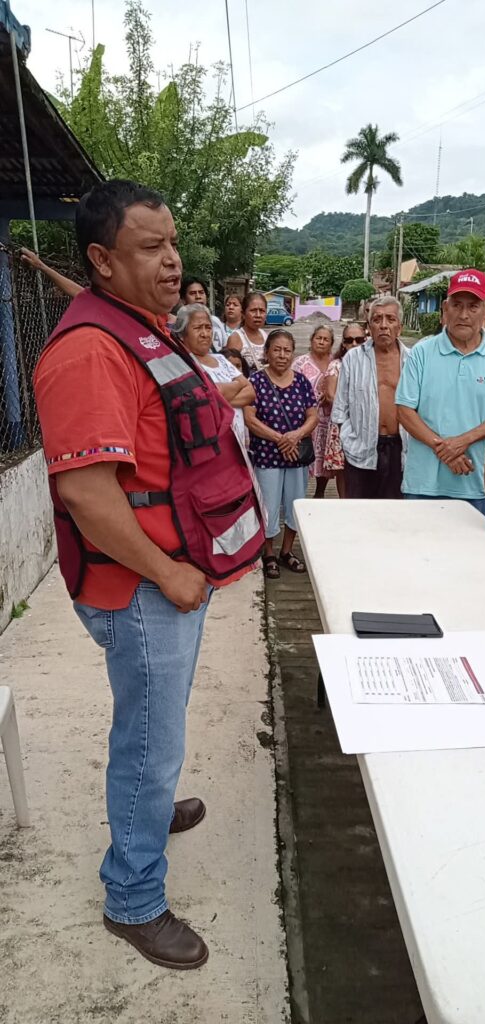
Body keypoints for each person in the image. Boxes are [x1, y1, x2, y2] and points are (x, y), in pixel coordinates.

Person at [33, 179, 265, 970]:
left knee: (154, 727)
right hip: (138, 588)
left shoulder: (136, 327)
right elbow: (87, 494)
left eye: (172, 244)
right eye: (150, 248)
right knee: (149, 741)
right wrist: (168, 574)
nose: (173, 263)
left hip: (164, 578)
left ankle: (149, 809)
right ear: (102, 260)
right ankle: (132, 898)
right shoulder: (89, 351)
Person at [396, 269, 485, 515]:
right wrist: (445, 449)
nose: (463, 315)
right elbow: (404, 410)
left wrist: (462, 442)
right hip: (423, 483)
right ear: (444, 308)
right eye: (456, 305)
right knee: (418, 550)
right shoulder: (422, 352)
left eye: (473, 307)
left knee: (471, 553)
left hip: (477, 482)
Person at [244, 329, 318, 578]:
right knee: (269, 506)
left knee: (296, 504)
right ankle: (269, 553)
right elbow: (249, 418)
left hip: (296, 455)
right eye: (276, 349)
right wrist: (279, 439)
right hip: (267, 455)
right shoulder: (255, 381)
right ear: (266, 353)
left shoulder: (301, 381)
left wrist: (295, 436)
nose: (282, 355)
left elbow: (313, 415)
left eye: (287, 350)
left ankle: (287, 551)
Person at [332, 297, 409, 499]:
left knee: (395, 517)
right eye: (377, 319)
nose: (383, 325)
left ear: (399, 327)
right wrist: (349, 439)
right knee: (359, 517)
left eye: (390, 319)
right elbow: (340, 408)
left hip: (401, 450)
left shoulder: (412, 360)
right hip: (360, 450)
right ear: (369, 327)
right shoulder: (353, 358)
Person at [172, 303, 254, 444]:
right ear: (182, 334)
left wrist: (216, 398)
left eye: (208, 327)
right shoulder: (183, 364)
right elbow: (200, 400)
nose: (205, 334)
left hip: (238, 444)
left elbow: (251, 393)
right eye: (197, 328)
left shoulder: (221, 359)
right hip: (211, 444)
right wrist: (238, 384)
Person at [323, 323, 366, 498]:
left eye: (359, 340)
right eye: (349, 340)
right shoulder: (336, 365)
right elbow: (331, 396)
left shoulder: (371, 363)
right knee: (343, 468)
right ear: (343, 344)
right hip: (343, 424)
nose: (354, 344)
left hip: (366, 424)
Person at [293, 325, 335, 498]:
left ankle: (319, 493)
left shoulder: (336, 363)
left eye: (326, 339)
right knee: (304, 456)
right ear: (311, 340)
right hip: (306, 420)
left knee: (325, 459)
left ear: (331, 343)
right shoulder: (300, 363)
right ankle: (299, 493)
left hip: (329, 420)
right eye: (318, 338)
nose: (321, 342)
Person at [180, 275, 227, 351]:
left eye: (201, 292)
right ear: (183, 299)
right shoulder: (180, 324)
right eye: (192, 293)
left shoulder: (216, 321)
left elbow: (225, 347)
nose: (198, 296)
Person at [227, 291, 268, 373]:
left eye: (262, 311)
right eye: (253, 310)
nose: (258, 315)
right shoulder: (236, 338)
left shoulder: (265, 336)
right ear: (243, 314)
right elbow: (230, 372)